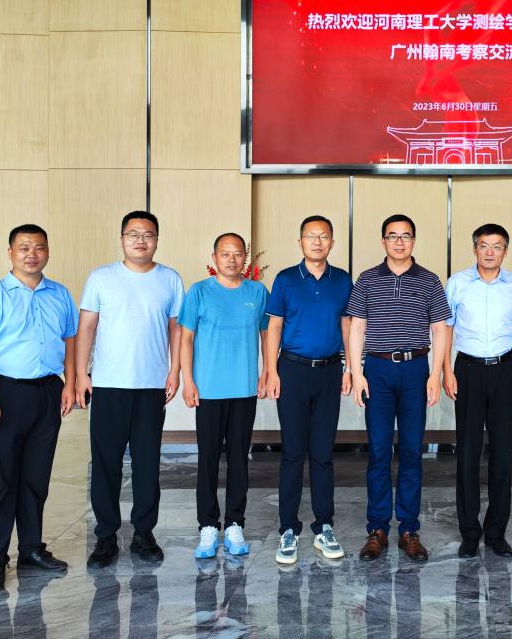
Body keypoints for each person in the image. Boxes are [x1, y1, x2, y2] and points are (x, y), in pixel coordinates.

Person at [0, 224, 78, 590]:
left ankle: (31, 549)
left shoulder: (60, 294)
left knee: (35, 477)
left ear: (48, 252)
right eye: (24, 247)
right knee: (0, 480)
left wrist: (70, 382)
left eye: (39, 247)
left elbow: (70, 340)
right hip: (5, 392)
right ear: (11, 252)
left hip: (47, 392)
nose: (32, 254)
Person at [75, 210, 184, 566]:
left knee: (147, 463)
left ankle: (143, 534)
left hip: (151, 385)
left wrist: (175, 370)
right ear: (122, 239)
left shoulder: (170, 279)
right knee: (105, 463)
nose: (141, 240)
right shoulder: (101, 278)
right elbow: (87, 328)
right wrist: (81, 374)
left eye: (148, 234)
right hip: (109, 384)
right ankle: (106, 536)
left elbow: (176, 329)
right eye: (133, 234)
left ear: (157, 240)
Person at [348, 214, 450, 562]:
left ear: (414, 241)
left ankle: (408, 529)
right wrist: (357, 372)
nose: (399, 242)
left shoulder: (429, 280)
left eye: (406, 236)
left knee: (410, 451)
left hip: (415, 369)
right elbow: (357, 327)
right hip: (376, 369)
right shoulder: (367, 279)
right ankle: (377, 529)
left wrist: (435, 374)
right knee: (378, 451)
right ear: (383, 241)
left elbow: (440, 329)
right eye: (393, 236)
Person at [263, 215, 353, 565]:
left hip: (329, 372)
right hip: (292, 371)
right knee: (292, 452)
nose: (317, 242)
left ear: (332, 242)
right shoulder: (286, 279)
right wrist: (271, 371)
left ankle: (324, 525)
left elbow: (347, 325)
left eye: (323, 236)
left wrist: (349, 368)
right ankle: (288, 528)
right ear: (300, 241)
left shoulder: (342, 280)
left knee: (322, 453)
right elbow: (274, 326)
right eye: (310, 236)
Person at [443, 223, 512, 559]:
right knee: (467, 451)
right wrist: (446, 370)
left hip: (504, 370)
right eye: (484, 245)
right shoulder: (457, 283)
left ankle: (496, 532)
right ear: (475, 249)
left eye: (497, 246)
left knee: (501, 451)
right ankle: (469, 531)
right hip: (467, 370)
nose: (490, 251)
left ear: (505, 251)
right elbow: (445, 329)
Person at [179, 232, 269, 559]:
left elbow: (267, 334)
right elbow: (186, 339)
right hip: (208, 390)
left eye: (237, 253)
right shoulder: (199, 292)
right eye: (225, 253)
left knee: (239, 458)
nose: (232, 259)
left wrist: (268, 371)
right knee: (208, 458)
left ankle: (234, 523)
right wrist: (188, 381)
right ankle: (207, 525)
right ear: (214, 257)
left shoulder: (257, 292)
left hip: (244, 389)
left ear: (245, 257)